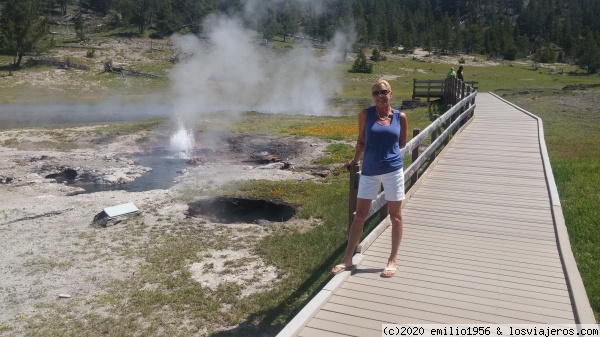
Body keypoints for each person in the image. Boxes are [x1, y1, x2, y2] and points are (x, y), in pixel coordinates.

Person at [330, 79, 408, 278]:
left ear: (391, 93)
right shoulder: (366, 114)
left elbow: (401, 143)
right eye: (375, 93)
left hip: (393, 170)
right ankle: (347, 258)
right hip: (370, 170)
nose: (379, 96)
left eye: (383, 92)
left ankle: (392, 260)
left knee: (396, 216)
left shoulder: (401, 117)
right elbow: (361, 141)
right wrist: (354, 160)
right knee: (360, 216)